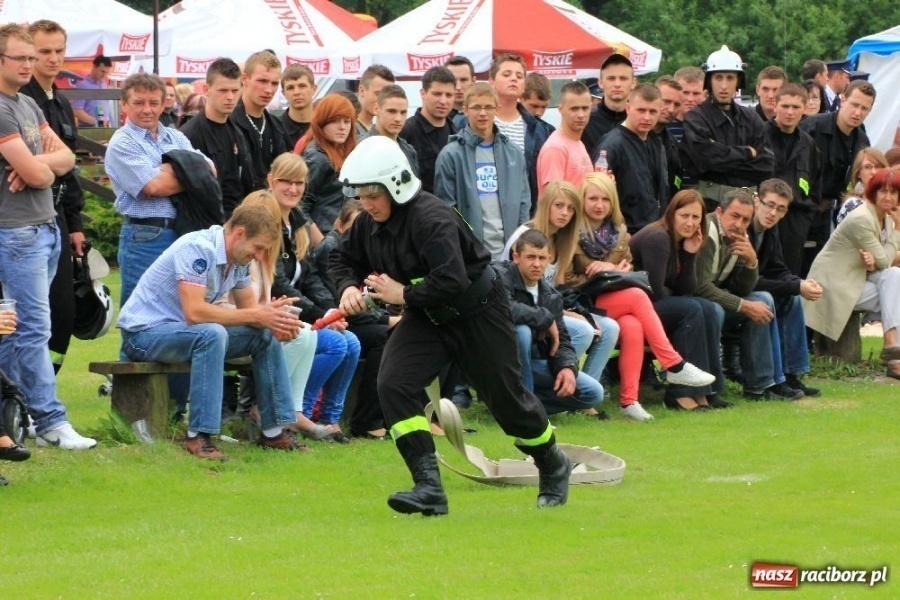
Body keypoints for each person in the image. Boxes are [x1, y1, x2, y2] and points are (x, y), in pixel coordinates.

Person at [331, 136, 573, 515]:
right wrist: (347, 287)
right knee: (393, 383)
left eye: (373, 196)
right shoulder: (367, 224)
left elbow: (452, 279)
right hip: (427, 315)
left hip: (478, 312)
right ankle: (428, 487)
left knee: (507, 401)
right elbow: (340, 260)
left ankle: (552, 462)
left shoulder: (432, 218)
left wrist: (401, 294)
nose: (366, 205)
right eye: (361, 196)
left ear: (396, 185)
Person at [118, 204, 302, 459]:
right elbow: (194, 312)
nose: (259, 256)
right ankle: (199, 435)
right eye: (258, 247)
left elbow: (250, 312)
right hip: (142, 335)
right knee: (212, 333)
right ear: (239, 233)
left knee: (264, 336)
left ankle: (274, 432)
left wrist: (275, 321)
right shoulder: (197, 247)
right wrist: (258, 315)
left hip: (183, 333)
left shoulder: (238, 259)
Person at [0, 24, 95, 449]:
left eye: (30, 57)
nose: (29, 64)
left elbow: (67, 157)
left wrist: (37, 163)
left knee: (16, 329)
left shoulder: (27, 104)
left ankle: (13, 416)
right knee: (34, 329)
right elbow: (42, 173)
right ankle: (51, 421)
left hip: (45, 227)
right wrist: (41, 166)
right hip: (16, 232)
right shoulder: (2, 109)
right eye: (20, 57)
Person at [564, 173, 715, 420]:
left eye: (605, 199)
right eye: (593, 198)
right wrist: (604, 273)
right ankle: (673, 364)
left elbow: (630, 268)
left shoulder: (618, 232)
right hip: (581, 300)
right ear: (582, 200)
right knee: (637, 296)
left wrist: (613, 270)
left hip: (612, 299)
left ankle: (629, 401)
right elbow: (565, 279)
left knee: (633, 325)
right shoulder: (570, 232)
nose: (599, 205)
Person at [267, 153, 359, 443]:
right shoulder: (265, 221)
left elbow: (309, 278)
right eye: (286, 181)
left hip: (300, 311)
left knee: (351, 342)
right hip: (275, 310)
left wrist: (331, 310)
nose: (293, 189)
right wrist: (320, 315)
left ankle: (330, 418)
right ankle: (299, 412)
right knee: (335, 344)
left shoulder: (298, 222)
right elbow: (278, 284)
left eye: (299, 183)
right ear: (271, 180)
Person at [504, 181, 620, 409]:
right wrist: (559, 316)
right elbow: (514, 294)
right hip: (521, 316)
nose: (565, 213)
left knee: (609, 328)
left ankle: (578, 395)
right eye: (559, 205)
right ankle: (538, 394)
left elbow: (554, 291)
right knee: (583, 330)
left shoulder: (563, 239)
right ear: (546, 205)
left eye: (570, 208)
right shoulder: (525, 237)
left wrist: (573, 312)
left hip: (546, 309)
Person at [105, 72, 214, 311]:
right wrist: (190, 173)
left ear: (164, 103)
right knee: (140, 311)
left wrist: (166, 171)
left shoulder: (175, 136)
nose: (147, 109)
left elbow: (211, 170)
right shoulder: (122, 142)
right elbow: (153, 186)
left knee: (179, 309)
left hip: (183, 232)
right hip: (145, 235)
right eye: (138, 102)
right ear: (124, 104)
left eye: (154, 102)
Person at [21, 20, 87, 373]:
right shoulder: (19, 100)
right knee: (27, 310)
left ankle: (43, 389)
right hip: (23, 214)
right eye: (44, 51)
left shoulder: (60, 102)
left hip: (58, 212)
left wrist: (75, 224)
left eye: (59, 50)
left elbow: (70, 168)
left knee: (63, 311)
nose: (53, 58)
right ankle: (21, 394)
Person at [693, 190, 803, 400]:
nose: (739, 224)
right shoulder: (708, 231)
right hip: (693, 301)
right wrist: (743, 306)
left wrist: (752, 262)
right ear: (719, 212)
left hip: (715, 299)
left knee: (763, 300)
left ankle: (760, 386)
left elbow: (741, 289)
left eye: (745, 220)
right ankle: (712, 388)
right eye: (735, 216)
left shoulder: (741, 237)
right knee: (719, 309)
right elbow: (701, 286)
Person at [629, 189, 727, 409]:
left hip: (656, 305)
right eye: (684, 215)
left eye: (696, 217)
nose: (690, 223)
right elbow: (655, 291)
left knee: (709, 309)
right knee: (691, 308)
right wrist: (680, 295)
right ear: (672, 214)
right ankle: (680, 393)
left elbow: (687, 289)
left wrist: (690, 254)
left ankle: (707, 389)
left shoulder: (683, 240)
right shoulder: (658, 237)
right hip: (636, 307)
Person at [804, 168, 900, 380]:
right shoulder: (862, 218)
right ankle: (894, 356)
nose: (888, 197)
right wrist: (898, 230)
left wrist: (878, 259)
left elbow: (882, 262)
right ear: (873, 192)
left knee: (894, 278)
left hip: (855, 280)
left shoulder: (886, 217)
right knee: (894, 288)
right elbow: (884, 260)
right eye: (883, 191)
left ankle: (893, 350)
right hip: (832, 285)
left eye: (894, 192)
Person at [498, 229, 605, 415]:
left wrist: (567, 367)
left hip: (533, 363)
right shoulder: (500, 275)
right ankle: (527, 414)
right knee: (522, 332)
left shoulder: (551, 296)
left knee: (593, 393)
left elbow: (562, 339)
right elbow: (503, 308)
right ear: (516, 257)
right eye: (530, 257)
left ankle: (514, 405)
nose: (536, 264)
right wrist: (545, 318)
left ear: (549, 258)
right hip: (500, 363)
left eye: (541, 258)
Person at [313, 199, 394, 439]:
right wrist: (388, 320)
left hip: (351, 320)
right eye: (353, 229)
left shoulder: (366, 250)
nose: (360, 235)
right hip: (335, 321)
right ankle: (367, 420)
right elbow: (346, 304)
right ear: (339, 225)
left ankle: (394, 415)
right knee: (386, 337)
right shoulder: (332, 249)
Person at [434, 82, 529, 261]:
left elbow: (524, 202)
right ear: (465, 110)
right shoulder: (451, 154)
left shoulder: (513, 153)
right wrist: (466, 245)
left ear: (497, 109)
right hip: (471, 254)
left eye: (488, 107)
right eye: (476, 107)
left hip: (509, 251)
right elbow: (447, 209)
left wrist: (519, 241)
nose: (483, 113)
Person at [750, 179, 822, 396]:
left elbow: (777, 268)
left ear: (785, 212)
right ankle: (771, 381)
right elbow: (749, 281)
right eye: (769, 205)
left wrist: (800, 283)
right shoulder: (743, 227)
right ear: (757, 201)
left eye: (780, 209)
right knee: (767, 298)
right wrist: (795, 286)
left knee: (793, 298)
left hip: (752, 287)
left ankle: (791, 374)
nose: (773, 213)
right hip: (733, 290)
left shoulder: (770, 230)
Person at [681, 45, 774, 211]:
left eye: (730, 78)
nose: (724, 85)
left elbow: (766, 165)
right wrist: (747, 153)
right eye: (718, 78)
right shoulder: (696, 118)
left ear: (738, 81)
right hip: (710, 207)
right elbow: (705, 160)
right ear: (709, 80)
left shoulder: (751, 118)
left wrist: (720, 155)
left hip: (748, 208)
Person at [799, 80, 874, 275]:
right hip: (797, 209)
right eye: (854, 104)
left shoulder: (862, 141)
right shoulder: (812, 127)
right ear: (843, 99)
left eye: (864, 108)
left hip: (827, 212)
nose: (858, 113)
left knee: (817, 269)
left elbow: (859, 182)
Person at [180, 58, 255, 219]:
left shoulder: (237, 131)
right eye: (223, 90)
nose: (230, 97)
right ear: (206, 89)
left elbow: (244, 183)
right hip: (204, 224)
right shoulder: (189, 135)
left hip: (237, 220)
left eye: (235, 91)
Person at [595, 83, 668, 234]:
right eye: (641, 110)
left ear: (660, 112)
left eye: (652, 111)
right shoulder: (611, 146)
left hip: (656, 229)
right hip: (625, 233)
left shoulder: (656, 143)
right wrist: (618, 232)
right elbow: (598, 197)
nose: (647, 117)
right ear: (628, 108)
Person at [765, 83, 822, 276]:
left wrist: (804, 220)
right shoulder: (759, 137)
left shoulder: (809, 144)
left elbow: (816, 187)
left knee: (789, 276)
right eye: (785, 106)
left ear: (804, 109)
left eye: (796, 107)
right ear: (775, 106)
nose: (790, 112)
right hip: (764, 220)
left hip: (795, 225)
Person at [489, 53, 553, 211]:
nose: (513, 79)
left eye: (519, 76)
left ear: (524, 86)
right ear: (492, 82)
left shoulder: (540, 130)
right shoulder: (474, 122)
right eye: (506, 74)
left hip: (525, 212)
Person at [295, 93, 356, 237]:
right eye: (335, 121)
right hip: (323, 237)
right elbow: (300, 208)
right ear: (322, 122)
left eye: (347, 121)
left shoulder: (343, 152)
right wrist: (323, 243)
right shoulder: (317, 158)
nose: (342, 127)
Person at [229, 51, 289, 191]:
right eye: (262, 81)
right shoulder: (229, 122)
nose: (269, 90)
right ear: (245, 79)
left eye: (274, 83)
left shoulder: (277, 126)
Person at [400, 66, 456, 194]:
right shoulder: (406, 132)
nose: (443, 101)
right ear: (423, 93)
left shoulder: (457, 134)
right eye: (437, 94)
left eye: (449, 95)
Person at [535, 80, 593, 193]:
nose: (581, 115)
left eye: (585, 108)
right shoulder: (555, 148)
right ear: (560, 109)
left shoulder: (578, 143)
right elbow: (553, 198)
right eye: (574, 109)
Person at [581, 54, 634, 157]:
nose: (617, 84)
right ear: (600, 82)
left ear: (633, 82)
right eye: (611, 78)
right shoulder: (585, 122)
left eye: (623, 78)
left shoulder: (639, 121)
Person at [359, 84, 418, 175]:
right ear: (376, 109)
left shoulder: (409, 150)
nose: (398, 118)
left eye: (403, 112)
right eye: (391, 111)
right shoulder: (361, 147)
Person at [835, 148, 888, 225]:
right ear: (859, 173)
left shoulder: (890, 204)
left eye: (877, 167)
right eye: (867, 167)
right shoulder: (853, 205)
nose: (873, 172)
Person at [654, 75, 684, 197]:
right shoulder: (630, 137)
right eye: (666, 102)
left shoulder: (673, 143)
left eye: (676, 105)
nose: (671, 109)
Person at [279, 64, 316, 149]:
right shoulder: (275, 129)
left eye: (302, 86)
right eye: (290, 88)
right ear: (283, 93)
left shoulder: (326, 126)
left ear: (313, 89)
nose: (296, 92)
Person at [71, 54, 112, 127]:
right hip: (88, 128)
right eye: (102, 71)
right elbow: (76, 110)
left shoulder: (103, 85)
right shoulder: (83, 86)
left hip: (104, 127)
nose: (104, 75)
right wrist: (97, 122)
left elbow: (106, 107)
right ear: (94, 67)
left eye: (106, 73)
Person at [355, 64, 394, 137]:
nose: (384, 100)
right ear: (362, 91)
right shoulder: (348, 131)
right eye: (378, 94)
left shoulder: (377, 129)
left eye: (389, 96)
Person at [444, 56, 475, 125]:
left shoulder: (485, 114)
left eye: (463, 80)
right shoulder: (434, 118)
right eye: (453, 80)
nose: (458, 87)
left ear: (473, 81)